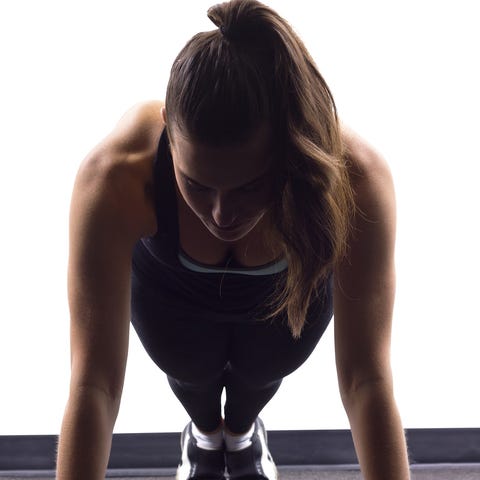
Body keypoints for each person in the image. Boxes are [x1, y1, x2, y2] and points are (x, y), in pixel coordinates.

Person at [56, 0, 411, 479]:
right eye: (197, 185)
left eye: (249, 186)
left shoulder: (356, 178)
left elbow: (366, 378)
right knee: (193, 374)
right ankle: (206, 436)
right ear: (168, 128)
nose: (222, 214)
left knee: (258, 376)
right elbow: (94, 382)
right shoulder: (116, 176)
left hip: (282, 300)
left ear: (289, 144)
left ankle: (241, 435)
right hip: (172, 298)